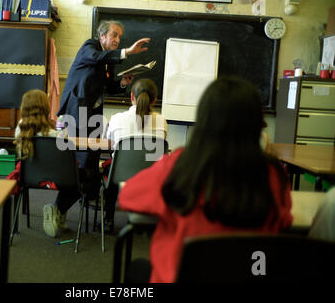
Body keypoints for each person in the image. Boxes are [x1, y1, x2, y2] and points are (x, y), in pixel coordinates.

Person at [118, 76, 293, 283]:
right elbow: (284, 220)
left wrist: (167, 213)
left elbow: (128, 195)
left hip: (182, 276)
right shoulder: (273, 174)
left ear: (203, 119)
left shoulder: (179, 166)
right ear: (257, 124)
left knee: (137, 269)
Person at [57, 20, 151, 209]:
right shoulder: (89, 46)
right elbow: (96, 57)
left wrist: (123, 83)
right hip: (78, 107)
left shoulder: (108, 59)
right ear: (102, 36)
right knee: (83, 156)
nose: (117, 39)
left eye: (119, 37)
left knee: (93, 154)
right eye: (114, 35)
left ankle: (89, 197)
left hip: (93, 109)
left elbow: (107, 86)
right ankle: (62, 204)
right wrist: (128, 52)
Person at [9, 89, 76, 238]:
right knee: (78, 179)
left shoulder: (20, 129)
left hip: (28, 178)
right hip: (57, 178)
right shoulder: (56, 135)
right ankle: (58, 210)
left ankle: (58, 214)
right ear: (45, 108)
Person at [103, 78, 168, 232]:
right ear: (155, 100)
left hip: (119, 174)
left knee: (110, 169)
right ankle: (146, 218)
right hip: (151, 175)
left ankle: (108, 221)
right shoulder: (162, 121)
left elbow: (110, 145)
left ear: (131, 96)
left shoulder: (117, 119)